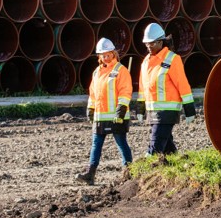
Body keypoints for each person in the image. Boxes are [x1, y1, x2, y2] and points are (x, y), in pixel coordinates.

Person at [75, 37, 133, 185]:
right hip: (100, 116)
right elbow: (93, 93)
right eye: (103, 55)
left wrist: (121, 111)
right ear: (99, 56)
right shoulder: (97, 72)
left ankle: (129, 173)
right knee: (96, 144)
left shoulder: (121, 70)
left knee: (121, 143)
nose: (106, 57)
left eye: (108, 54)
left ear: (114, 54)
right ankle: (90, 174)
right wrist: (91, 107)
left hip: (117, 116)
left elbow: (125, 92)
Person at [136, 23, 196, 158]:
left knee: (154, 148)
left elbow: (183, 85)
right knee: (168, 150)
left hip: (167, 113)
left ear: (160, 42)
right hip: (153, 113)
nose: (148, 47)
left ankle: (142, 173)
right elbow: (143, 87)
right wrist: (140, 107)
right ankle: (179, 170)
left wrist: (189, 109)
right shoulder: (145, 62)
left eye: (151, 43)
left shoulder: (172, 59)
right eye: (146, 44)